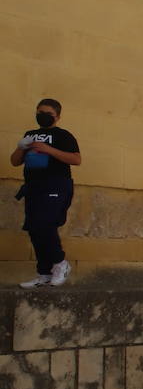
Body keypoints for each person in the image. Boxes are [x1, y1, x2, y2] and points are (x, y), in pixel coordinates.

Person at [11, 98, 81, 288]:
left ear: (57, 116)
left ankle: (60, 263)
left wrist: (47, 149)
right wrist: (21, 147)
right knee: (34, 228)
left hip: (56, 185)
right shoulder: (30, 134)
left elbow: (76, 159)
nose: (42, 116)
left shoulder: (63, 135)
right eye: (39, 112)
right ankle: (44, 274)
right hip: (34, 186)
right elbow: (15, 161)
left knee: (45, 224)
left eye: (47, 113)